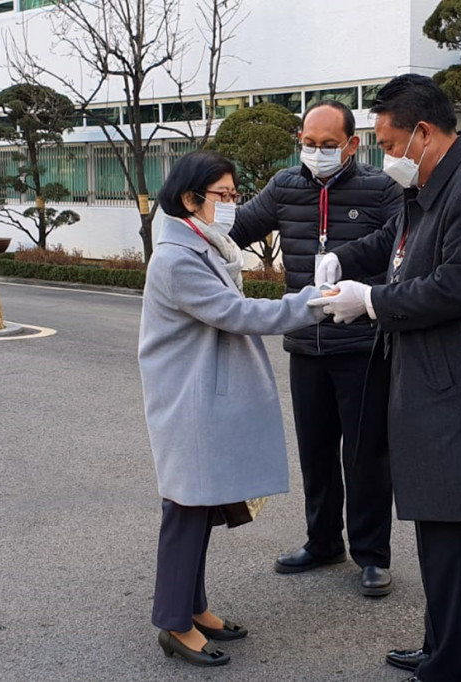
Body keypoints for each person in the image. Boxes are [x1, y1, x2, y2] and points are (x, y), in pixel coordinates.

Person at [311, 75, 461, 682]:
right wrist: (343, 260)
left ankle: (453, 665)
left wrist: (372, 301)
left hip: (458, 393)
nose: (387, 157)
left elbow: (459, 287)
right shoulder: (434, 181)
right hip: (432, 384)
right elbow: (394, 242)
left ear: (424, 133)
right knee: (440, 538)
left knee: (449, 539)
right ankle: (448, 649)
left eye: (388, 142)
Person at [138, 150, 326, 668]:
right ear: (189, 199)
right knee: (186, 508)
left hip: (201, 393)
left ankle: (193, 607)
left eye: (233, 195)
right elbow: (234, 313)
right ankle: (173, 623)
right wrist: (309, 303)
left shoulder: (202, 243)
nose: (231, 204)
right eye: (222, 196)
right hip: (189, 398)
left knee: (200, 505)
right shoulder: (177, 258)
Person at [230, 100, 404, 596]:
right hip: (307, 343)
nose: (317, 153)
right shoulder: (285, 186)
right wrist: (196, 212)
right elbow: (236, 231)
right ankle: (323, 540)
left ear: (352, 144)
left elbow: (402, 247)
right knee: (316, 451)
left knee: (366, 455)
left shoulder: (381, 188)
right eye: (308, 144)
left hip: (363, 343)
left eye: (328, 146)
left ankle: (372, 556)